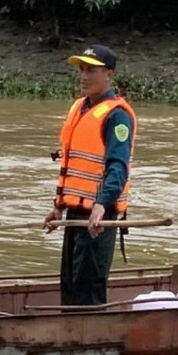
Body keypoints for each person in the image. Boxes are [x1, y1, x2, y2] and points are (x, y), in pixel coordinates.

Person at [44, 44, 136, 305]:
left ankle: (90, 338)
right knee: (70, 282)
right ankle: (70, 334)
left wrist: (102, 204)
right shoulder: (80, 108)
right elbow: (75, 168)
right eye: (81, 70)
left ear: (108, 74)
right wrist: (58, 207)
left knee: (88, 285)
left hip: (98, 215)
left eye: (91, 70)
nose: (83, 76)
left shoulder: (117, 116)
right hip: (76, 212)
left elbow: (118, 167)